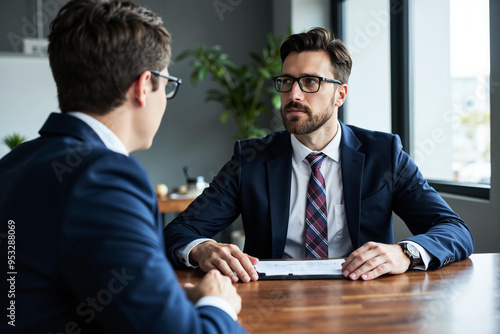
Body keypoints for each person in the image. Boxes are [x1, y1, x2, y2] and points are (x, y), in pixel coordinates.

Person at [0, 1, 246, 333]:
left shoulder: (14, 162)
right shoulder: (103, 176)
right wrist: (219, 304)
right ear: (144, 86)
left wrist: (163, 299)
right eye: (168, 85)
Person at [163, 27, 474, 283]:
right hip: (272, 301)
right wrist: (202, 248)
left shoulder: (384, 154)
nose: (293, 95)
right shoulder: (251, 158)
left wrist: (404, 253)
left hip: (365, 300)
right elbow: (179, 231)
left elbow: (454, 230)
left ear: (340, 94)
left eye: (310, 82)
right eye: (286, 82)